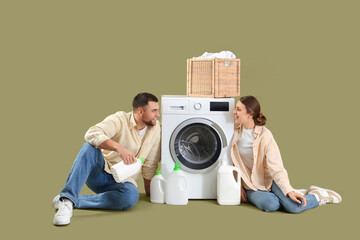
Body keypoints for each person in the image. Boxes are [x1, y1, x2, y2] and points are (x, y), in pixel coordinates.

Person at [52, 92, 161, 225]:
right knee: (89, 147)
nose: (158, 114)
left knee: (131, 197)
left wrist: (152, 194)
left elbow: (150, 165)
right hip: (101, 173)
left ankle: (67, 201)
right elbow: (91, 133)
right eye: (154, 110)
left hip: (124, 182)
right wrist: (118, 148)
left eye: (158, 110)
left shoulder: (156, 130)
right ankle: (68, 199)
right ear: (140, 111)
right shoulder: (120, 119)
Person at [231, 95, 342, 213]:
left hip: (268, 180)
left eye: (238, 109)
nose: (234, 112)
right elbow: (228, 160)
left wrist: (288, 191)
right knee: (270, 205)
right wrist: (237, 185)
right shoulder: (232, 132)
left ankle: (318, 196)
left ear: (250, 114)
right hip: (249, 185)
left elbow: (276, 167)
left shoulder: (265, 135)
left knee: (294, 207)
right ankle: (292, 194)